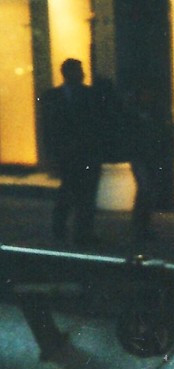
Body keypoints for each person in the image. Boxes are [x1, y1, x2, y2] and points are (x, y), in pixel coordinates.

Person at [41, 59, 104, 246]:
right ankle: (63, 227)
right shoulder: (52, 96)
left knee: (86, 192)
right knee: (70, 190)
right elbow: (48, 127)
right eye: (77, 70)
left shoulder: (90, 94)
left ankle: (82, 231)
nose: (81, 74)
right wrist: (52, 152)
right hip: (68, 152)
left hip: (87, 151)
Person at [124, 83, 174, 244]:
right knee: (146, 188)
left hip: (149, 155)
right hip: (143, 155)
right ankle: (141, 225)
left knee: (147, 189)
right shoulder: (149, 114)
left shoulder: (146, 113)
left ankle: (142, 224)